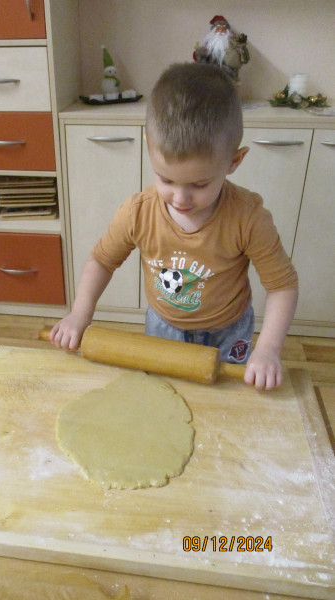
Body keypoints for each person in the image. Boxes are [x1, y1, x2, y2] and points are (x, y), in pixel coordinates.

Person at [50, 62, 298, 390]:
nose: (180, 198)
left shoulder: (248, 218)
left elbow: (282, 286)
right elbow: (102, 261)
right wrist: (79, 314)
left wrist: (267, 350)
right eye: (166, 179)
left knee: (227, 400)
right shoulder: (138, 212)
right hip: (163, 328)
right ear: (149, 148)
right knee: (163, 395)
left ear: (233, 162)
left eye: (199, 184)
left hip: (228, 332)